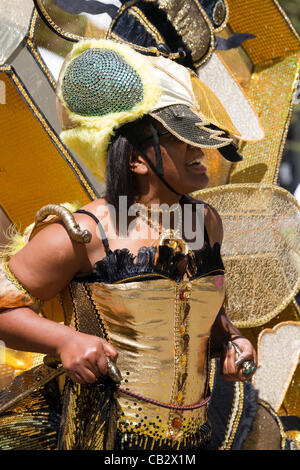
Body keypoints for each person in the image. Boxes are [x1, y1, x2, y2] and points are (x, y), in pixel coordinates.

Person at [0, 39, 257, 450]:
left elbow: (197, 305)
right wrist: (65, 340)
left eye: (199, 137)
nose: (200, 151)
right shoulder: (86, 232)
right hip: (101, 436)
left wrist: (232, 338)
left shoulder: (205, 222)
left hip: (191, 438)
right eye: (180, 138)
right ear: (137, 159)